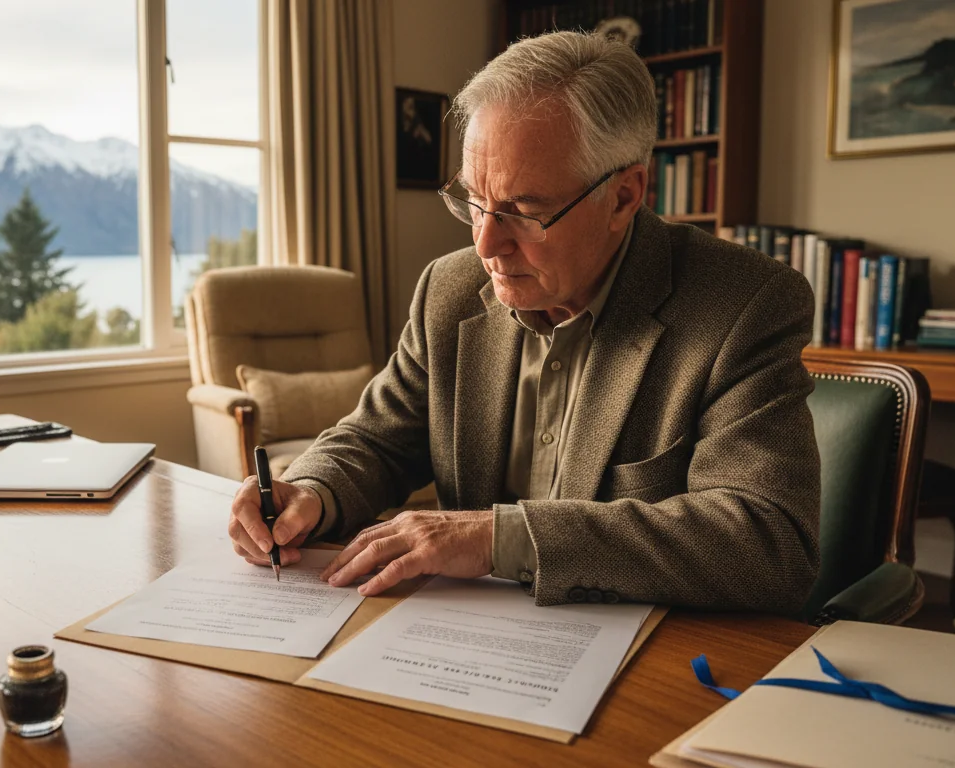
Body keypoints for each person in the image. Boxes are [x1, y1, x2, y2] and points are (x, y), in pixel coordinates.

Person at [227, 30, 820, 613]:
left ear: (623, 196)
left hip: (648, 651)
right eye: (474, 201)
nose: (486, 244)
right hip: (464, 632)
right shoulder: (449, 290)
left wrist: (500, 538)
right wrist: (311, 491)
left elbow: (770, 540)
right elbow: (376, 440)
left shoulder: (744, 304)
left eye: (524, 210)